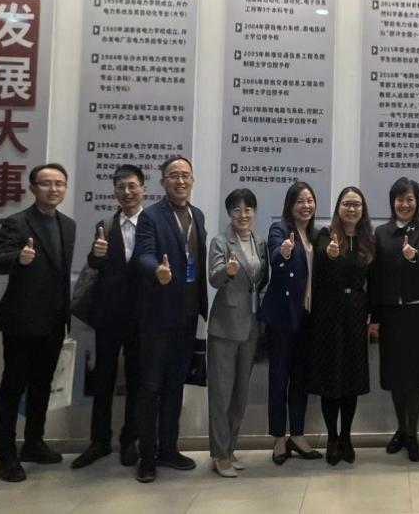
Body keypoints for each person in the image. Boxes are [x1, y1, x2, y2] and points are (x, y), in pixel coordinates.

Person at [0, 163, 76, 483]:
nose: (54, 189)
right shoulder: (17, 222)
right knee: (12, 388)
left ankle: (34, 443)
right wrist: (18, 259)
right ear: (32, 188)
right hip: (22, 321)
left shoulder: (68, 225)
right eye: (47, 183)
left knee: (42, 386)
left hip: (53, 321)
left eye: (60, 183)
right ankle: (5, 455)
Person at [132, 156, 208, 483]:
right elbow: (143, 254)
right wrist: (157, 271)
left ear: (192, 180)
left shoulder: (197, 215)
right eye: (174, 175)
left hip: (187, 316)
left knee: (176, 386)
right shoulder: (151, 216)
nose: (180, 181)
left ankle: (168, 449)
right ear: (163, 181)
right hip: (157, 316)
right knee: (150, 387)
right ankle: (147, 457)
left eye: (185, 175)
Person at [71, 164, 146, 471]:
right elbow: (95, 265)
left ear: (143, 188)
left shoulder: (153, 223)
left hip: (141, 317)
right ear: (114, 191)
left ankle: (130, 440)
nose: (126, 192)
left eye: (132, 186)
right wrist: (96, 255)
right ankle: (99, 441)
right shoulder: (105, 224)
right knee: (103, 379)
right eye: (120, 187)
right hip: (108, 316)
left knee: (137, 380)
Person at [368, 177, 419, 462]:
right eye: (400, 199)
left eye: (410, 199)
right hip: (390, 316)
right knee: (395, 376)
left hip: (417, 314)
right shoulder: (380, 233)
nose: (405, 204)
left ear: (417, 202)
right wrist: (374, 318)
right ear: (392, 202)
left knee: (415, 377)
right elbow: (375, 278)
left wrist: (413, 254)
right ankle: (401, 428)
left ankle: (413, 434)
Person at [309, 186, 375, 465]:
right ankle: (332, 438)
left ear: (363, 210)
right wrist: (330, 254)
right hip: (329, 313)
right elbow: (319, 264)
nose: (351, 209)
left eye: (356, 204)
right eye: (347, 204)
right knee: (331, 379)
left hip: (357, 312)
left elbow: (375, 281)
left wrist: (373, 316)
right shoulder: (326, 235)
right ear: (338, 208)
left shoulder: (367, 240)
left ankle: (346, 436)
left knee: (351, 379)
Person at [206, 188, 268, 477]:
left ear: (254, 212)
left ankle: (230, 448)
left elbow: (261, 280)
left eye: (248, 209)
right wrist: (228, 271)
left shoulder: (259, 241)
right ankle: (219, 454)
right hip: (225, 326)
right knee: (221, 394)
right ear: (229, 213)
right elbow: (214, 278)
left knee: (240, 393)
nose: (243, 215)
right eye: (237, 210)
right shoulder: (221, 242)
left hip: (252, 325)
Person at [259, 182, 322, 464]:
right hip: (282, 316)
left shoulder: (317, 234)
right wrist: (284, 252)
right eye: (300, 201)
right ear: (290, 205)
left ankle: (297, 434)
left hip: (307, 316)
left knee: (300, 378)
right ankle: (278, 437)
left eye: (310, 200)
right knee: (278, 377)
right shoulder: (280, 229)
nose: (306, 206)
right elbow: (275, 256)